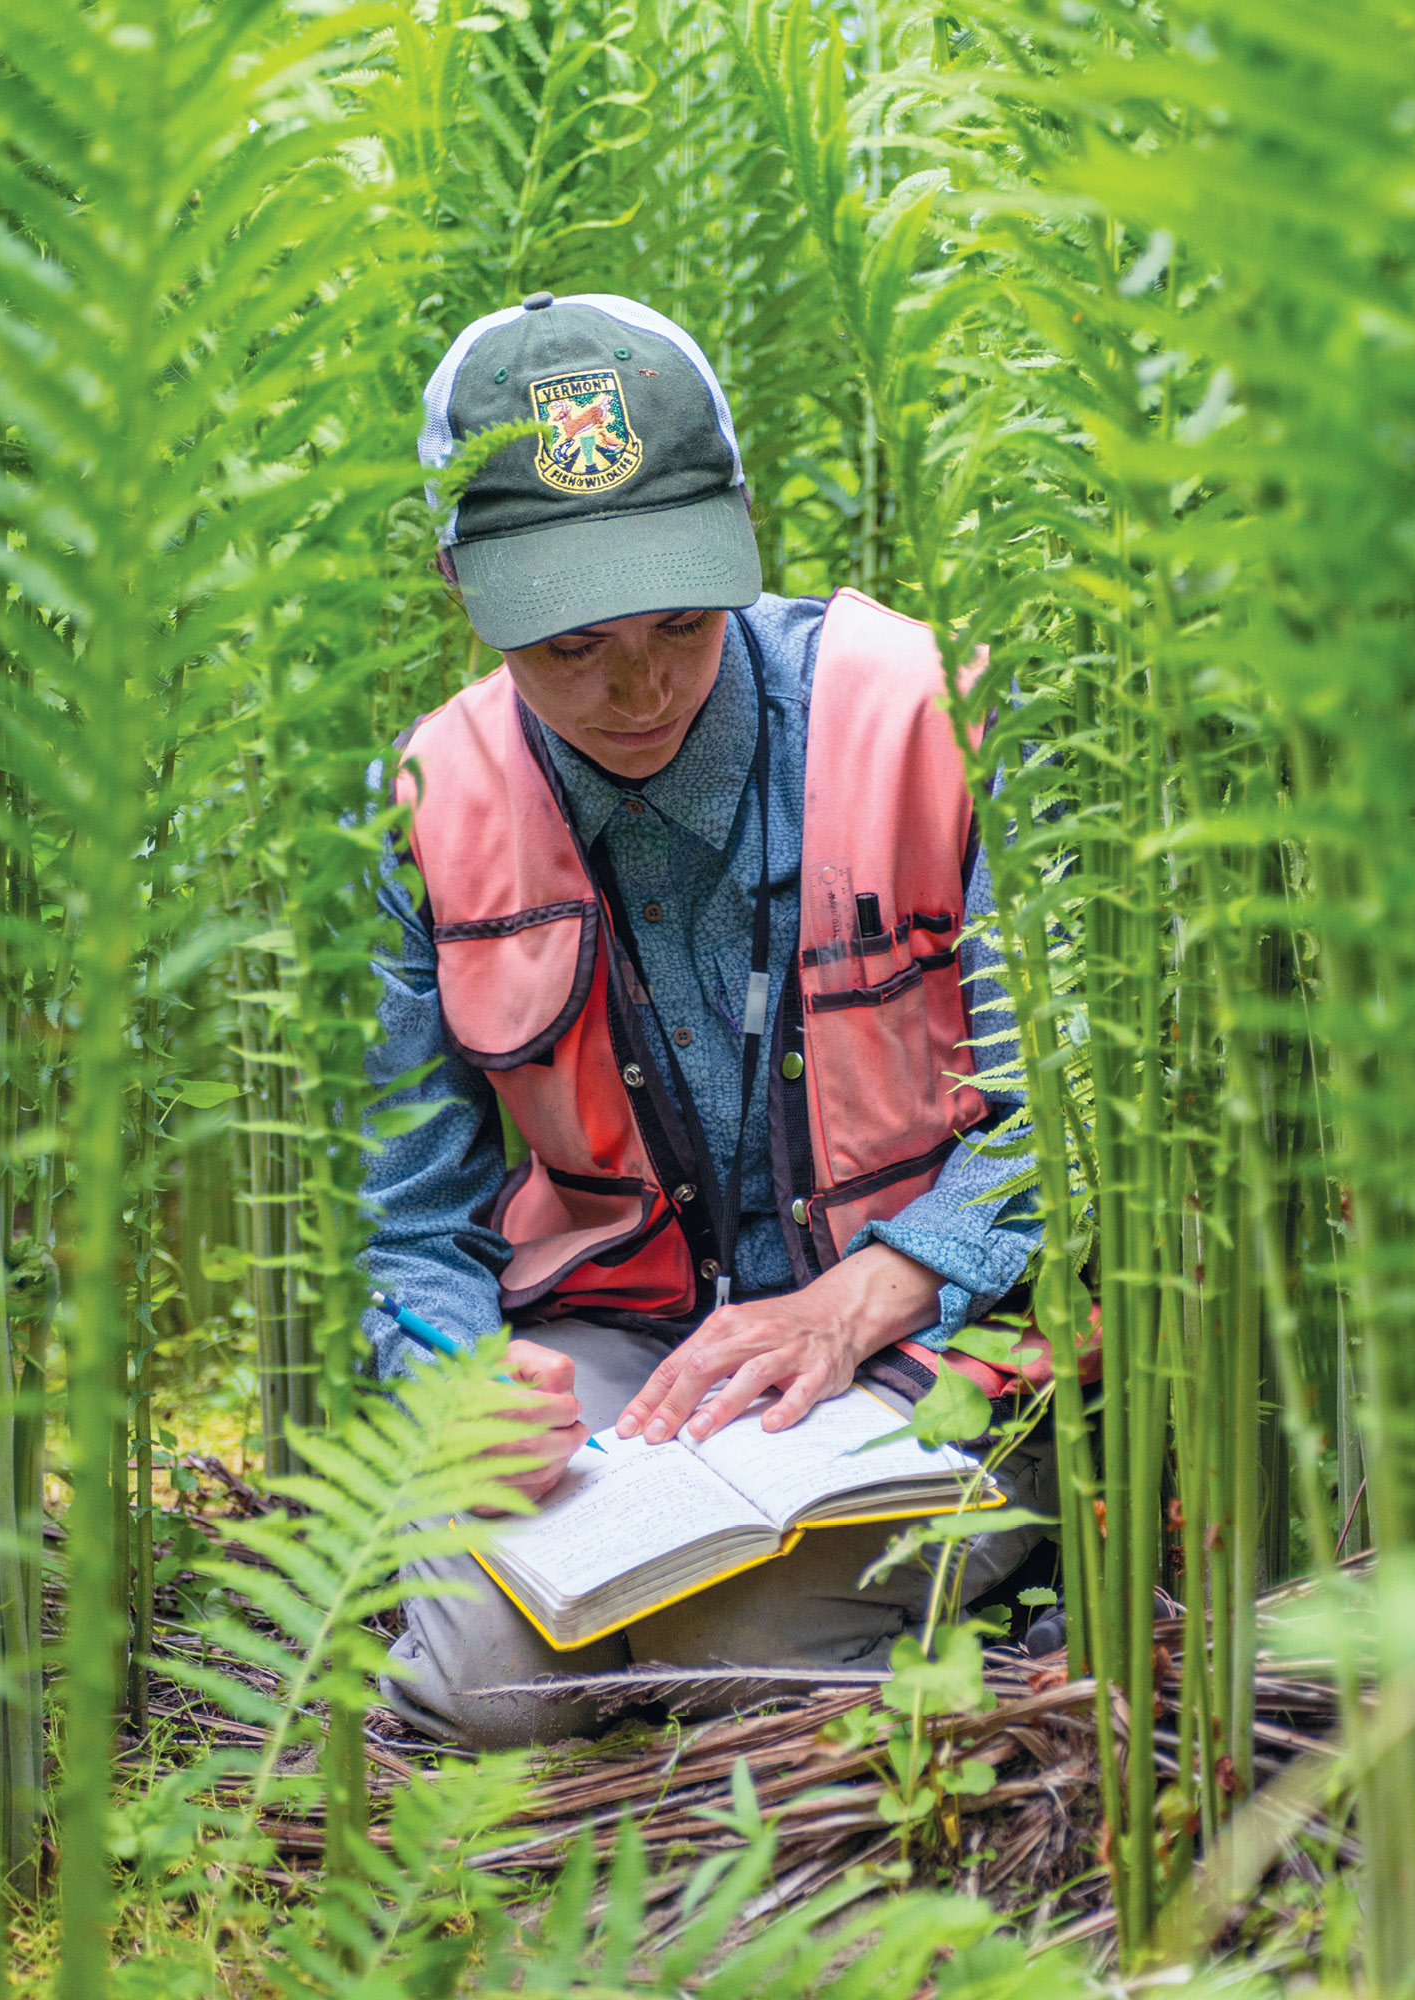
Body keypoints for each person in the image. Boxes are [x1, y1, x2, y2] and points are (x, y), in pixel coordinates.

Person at [363, 292, 1054, 1748]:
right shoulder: (430, 809)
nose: (643, 685)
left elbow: (1081, 1113)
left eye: (684, 615)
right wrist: (461, 1383)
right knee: (483, 1679)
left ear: (740, 521)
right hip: (624, 1367)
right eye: (572, 646)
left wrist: (879, 1287)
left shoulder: (928, 719)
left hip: (936, 1330)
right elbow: (406, 1227)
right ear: (458, 584)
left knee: (748, 1642)